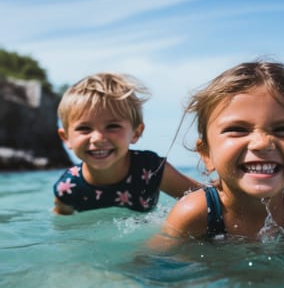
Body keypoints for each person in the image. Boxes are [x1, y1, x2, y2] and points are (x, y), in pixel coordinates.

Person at [159, 60, 284, 241]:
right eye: (238, 130)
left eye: (283, 130)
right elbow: (156, 263)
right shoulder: (194, 214)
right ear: (207, 154)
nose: (262, 143)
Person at [53, 72, 198, 215]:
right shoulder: (68, 187)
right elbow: (63, 226)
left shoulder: (150, 169)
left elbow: (205, 198)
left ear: (136, 132)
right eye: (84, 128)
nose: (97, 138)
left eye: (112, 126)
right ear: (66, 138)